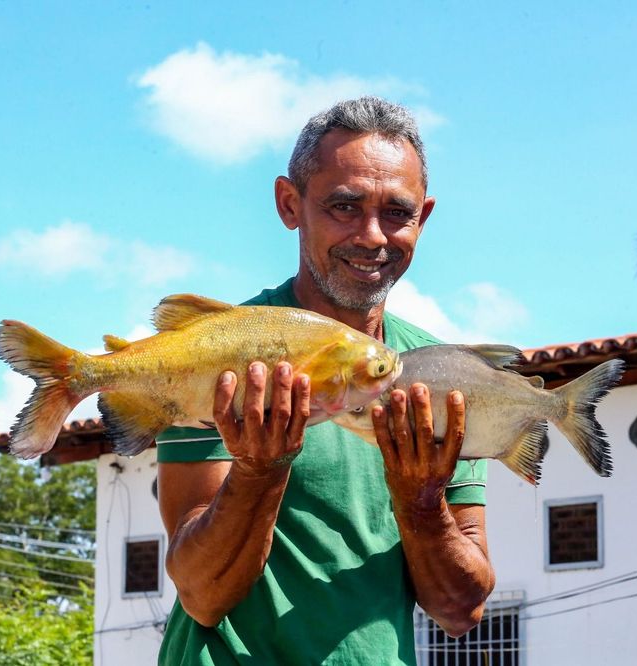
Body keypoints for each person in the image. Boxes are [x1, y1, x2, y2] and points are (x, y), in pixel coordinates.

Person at [155, 97, 495, 665]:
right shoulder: (222, 356)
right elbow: (203, 594)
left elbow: (461, 611)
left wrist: (421, 501)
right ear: (290, 204)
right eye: (344, 206)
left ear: (424, 218)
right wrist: (258, 472)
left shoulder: (438, 378)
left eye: (396, 212)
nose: (372, 235)